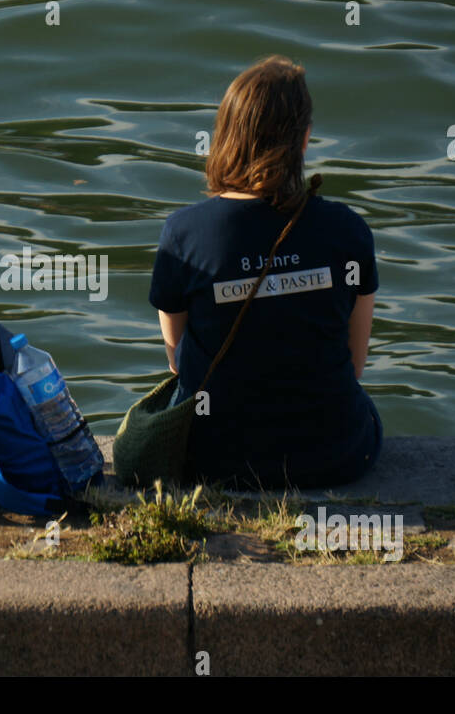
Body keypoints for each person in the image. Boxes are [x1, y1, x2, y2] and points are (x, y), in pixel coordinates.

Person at [148, 56, 382, 489]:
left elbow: (179, 363)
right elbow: (355, 363)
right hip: (338, 452)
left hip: (215, 461)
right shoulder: (349, 230)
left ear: (225, 137)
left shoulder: (183, 235)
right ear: (305, 140)